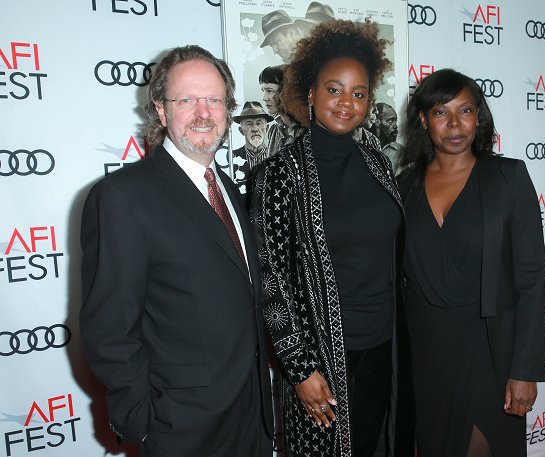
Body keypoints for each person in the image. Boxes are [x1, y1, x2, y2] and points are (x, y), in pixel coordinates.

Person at [79, 45, 273, 457]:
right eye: (186, 100)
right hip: (181, 427)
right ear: (162, 112)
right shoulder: (122, 196)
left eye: (215, 100)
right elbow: (109, 327)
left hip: (251, 415)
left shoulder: (229, 188)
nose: (203, 112)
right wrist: (144, 422)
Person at [252, 19, 408, 457]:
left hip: (383, 347)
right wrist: (300, 370)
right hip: (321, 360)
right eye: (334, 89)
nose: (346, 102)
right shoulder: (280, 175)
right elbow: (271, 280)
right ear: (309, 93)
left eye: (359, 93)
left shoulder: (376, 160)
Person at [398, 68, 545, 457]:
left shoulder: (508, 178)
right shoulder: (404, 187)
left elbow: (531, 279)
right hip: (426, 354)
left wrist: (525, 370)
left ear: (478, 116)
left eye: (464, 111)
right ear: (422, 119)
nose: (453, 124)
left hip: (490, 352)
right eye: (440, 112)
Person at [259, 65, 301, 158]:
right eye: (263, 91)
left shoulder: (306, 131)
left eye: (270, 91)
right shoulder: (273, 130)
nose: (264, 98)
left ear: (286, 92)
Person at [231, 101, 273, 193]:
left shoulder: (277, 157)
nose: (254, 129)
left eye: (259, 123)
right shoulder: (231, 159)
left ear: (267, 128)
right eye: (249, 124)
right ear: (241, 131)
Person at [375, 102, 402, 171]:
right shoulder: (363, 148)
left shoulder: (403, 153)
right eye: (390, 121)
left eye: (395, 121)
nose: (396, 126)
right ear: (376, 122)